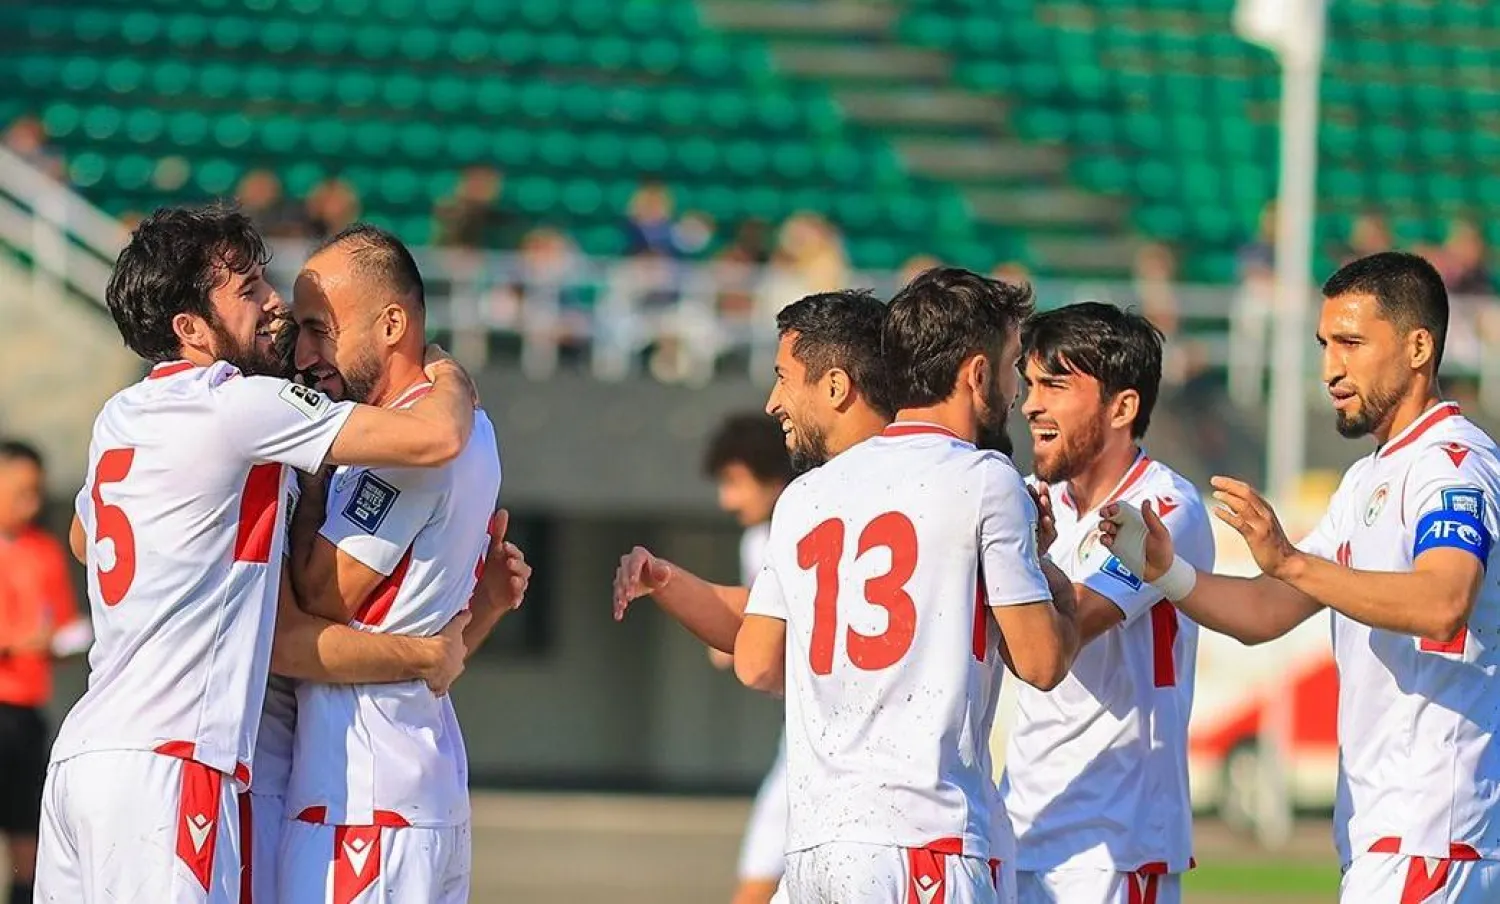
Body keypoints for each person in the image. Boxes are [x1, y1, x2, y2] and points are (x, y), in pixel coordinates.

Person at [35, 203, 479, 904]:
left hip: (82, 760)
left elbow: (86, 540)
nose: (272, 304)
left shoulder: (121, 414)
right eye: (246, 292)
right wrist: (445, 367)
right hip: (174, 760)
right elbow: (435, 440)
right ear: (190, 329)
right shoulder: (238, 405)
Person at [1101, 251, 1500, 902]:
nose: (1329, 368)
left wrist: (1291, 560)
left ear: (1419, 346)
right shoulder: (1368, 478)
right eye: (1323, 344)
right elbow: (1267, 612)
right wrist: (1165, 572)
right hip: (1389, 840)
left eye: (1350, 343)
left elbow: (1445, 599)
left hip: (1434, 837)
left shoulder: (1451, 466)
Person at [733, 267, 1080, 903]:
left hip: (811, 848)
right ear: (977, 373)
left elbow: (756, 664)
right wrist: (1050, 573)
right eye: (1010, 366)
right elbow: (1042, 660)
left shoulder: (805, 494)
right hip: (923, 842)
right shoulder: (986, 480)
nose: (1016, 391)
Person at [243, 300, 530, 904]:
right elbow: (423, 654)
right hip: (399, 790)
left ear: (391, 325)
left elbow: (329, 614)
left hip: (357, 800)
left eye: (318, 330)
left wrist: (466, 623)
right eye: (294, 337)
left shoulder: (394, 451)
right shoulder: (469, 428)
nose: (303, 356)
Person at [1002, 303, 1215, 904]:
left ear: (1122, 407)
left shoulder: (1166, 510)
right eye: (1029, 384)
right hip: (1023, 827)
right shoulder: (1034, 503)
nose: (1030, 405)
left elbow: (1075, 625)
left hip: (1115, 847)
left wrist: (1025, 562)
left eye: (1055, 385)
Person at [611, 289, 894, 653]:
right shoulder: (957, 481)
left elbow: (757, 659)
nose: (772, 402)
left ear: (836, 385)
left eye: (783, 378)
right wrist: (667, 582)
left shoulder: (807, 502)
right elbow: (767, 626)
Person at [702, 413, 796, 904]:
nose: (728, 499)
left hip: (818, 746)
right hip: (802, 739)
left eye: (735, 482)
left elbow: (756, 652)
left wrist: (729, 639)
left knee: (759, 876)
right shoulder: (759, 539)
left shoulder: (781, 533)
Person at [0, 441, 90, 904]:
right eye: (20, 493)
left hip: (25, 709)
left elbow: (63, 625)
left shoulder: (43, 550)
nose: (31, 504)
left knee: (27, 839)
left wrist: (60, 642)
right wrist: (14, 644)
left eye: (36, 493)